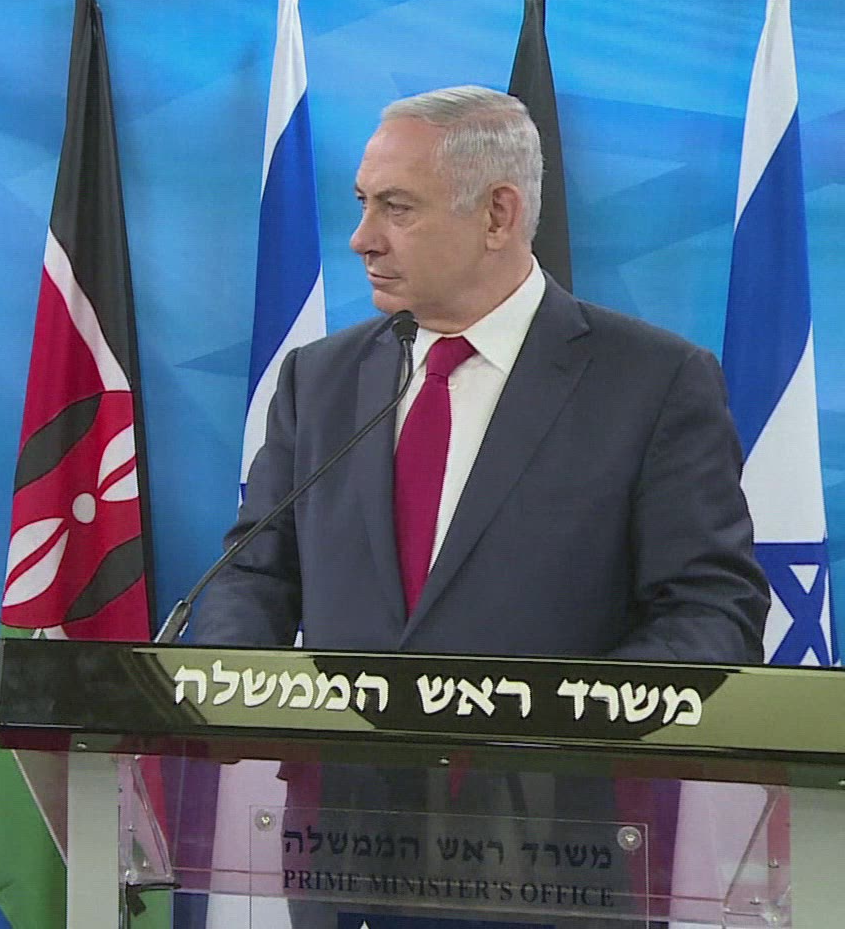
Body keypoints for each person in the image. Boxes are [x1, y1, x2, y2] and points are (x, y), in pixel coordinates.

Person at [190, 85, 767, 929]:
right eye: (362, 203)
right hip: (344, 853)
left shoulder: (652, 382)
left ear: (498, 214)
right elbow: (254, 575)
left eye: (397, 208)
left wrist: (555, 722)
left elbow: (713, 610)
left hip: (555, 857)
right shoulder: (320, 379)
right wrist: (230, 687)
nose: (361, 238)